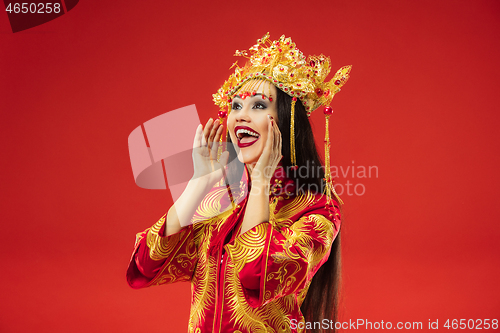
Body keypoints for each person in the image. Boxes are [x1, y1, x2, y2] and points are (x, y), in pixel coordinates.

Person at [126, 33, 351, 333]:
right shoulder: (220, 199)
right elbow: (144, 267)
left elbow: (257, 274)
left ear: (286, 120)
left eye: (258, 106)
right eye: (235, 106)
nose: (240, 117)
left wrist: (260, 183)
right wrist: (197, 184)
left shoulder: (318, 209)